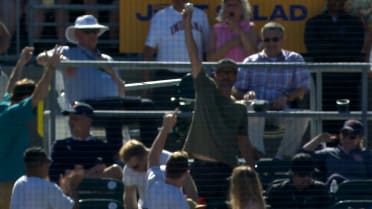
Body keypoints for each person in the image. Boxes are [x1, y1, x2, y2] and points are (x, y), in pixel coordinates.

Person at [36, 14, 158, 147]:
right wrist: (63, 61)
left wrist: (111, 72)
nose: (92, 35)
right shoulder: (68, 52)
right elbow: (40, 58)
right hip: (84, 108)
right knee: (114, 107)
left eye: (95, 31)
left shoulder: (107, 58)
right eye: (87, 32)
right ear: (77, 34)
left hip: (112, 106)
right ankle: (115, 154)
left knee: (147, 105)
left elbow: (121, 92)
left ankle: (150, 153)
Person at [183, 7, 256, 209]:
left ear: (235, 78)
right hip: (198, 170)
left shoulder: (240, 109)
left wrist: (251, 175)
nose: (226, 77)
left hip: (225, 171)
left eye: (230, 74)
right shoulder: (205, 90)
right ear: (214, 76)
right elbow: (194, 55)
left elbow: (244, 144)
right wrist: (187, 26)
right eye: (222, 73)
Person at [233, 21, 311, 159]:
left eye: (275, 39)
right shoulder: (250, 61)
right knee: (249, 108)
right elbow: (236, 90)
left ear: (283, 40)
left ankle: (283, 158)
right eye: (267, 40)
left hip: (281, 109)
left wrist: (286, 98)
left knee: (302, 115)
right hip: (257, 110)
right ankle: (256, 155)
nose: (271, 43)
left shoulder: (294, 59)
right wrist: (247, 95)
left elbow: (303, 88)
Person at [0, 46, 61, 209]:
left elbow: (10, 86)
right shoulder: (16, 113)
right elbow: (38, 95)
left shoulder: (5, 106)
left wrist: (20, 64)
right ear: (24, 98)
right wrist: (51, 68)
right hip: (7, 181)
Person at [304, 0, 365, 133]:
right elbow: (313, 48)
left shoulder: (354, 23)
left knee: (349, 117)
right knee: (324, 116)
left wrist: (329, 47)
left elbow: (354, 49)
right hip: (324, 81)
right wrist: (339, 46)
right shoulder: (314, 22)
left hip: (348, 80)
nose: (335, 2)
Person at [143, 0, 210, 109]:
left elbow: (208, 50)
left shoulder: (201, 16)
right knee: (165, 118)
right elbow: (148, 51)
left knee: (193, 117)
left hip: (193, 76)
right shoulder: (160, 17)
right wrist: (147, 84)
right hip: (166, 76)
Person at [49, 101, 123, 188]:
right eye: (70, 119)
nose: (71, 123)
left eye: (75, 119)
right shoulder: (60, 146)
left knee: (116, 169)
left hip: (98, 189)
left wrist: (83, 174)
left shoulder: (102, 147)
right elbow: (55, 175)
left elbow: (110, 171)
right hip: (71, 191)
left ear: (88, 121)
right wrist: (91, 172)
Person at [119, 139, 198, 209]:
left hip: (174, 203)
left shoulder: (168, 159)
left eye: (136, 166)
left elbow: (188, 181)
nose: (133, 170)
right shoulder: (129, 170)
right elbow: (129, 197)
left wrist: (194, 204)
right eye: (130, 166)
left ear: (146, 155)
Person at [302, 119, 372, 183]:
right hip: (335, 193)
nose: (347, 139)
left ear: (360, 138)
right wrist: (318, 139)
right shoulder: (329, 152)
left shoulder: (367, 154)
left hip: (359, 194)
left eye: (352, 137)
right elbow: (303, 156)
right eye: (344, 135)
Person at [146, 111, 190, 209]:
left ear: (166, 168)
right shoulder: (180, 201)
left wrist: (165, 127)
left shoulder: (154, 184)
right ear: (185, 173)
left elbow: (152, 157)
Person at [9, 147, 78, 209]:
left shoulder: (18, 184)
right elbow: (72, 207)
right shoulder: (48, 187)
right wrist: (71, 187)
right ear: (40, 164)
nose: (48, 166)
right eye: (47, 162)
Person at [266, 153, 332, 209]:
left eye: (309, 174)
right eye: (302, 174)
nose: (306, 178)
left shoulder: (319, 190)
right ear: (292, 174)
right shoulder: (278, 191)